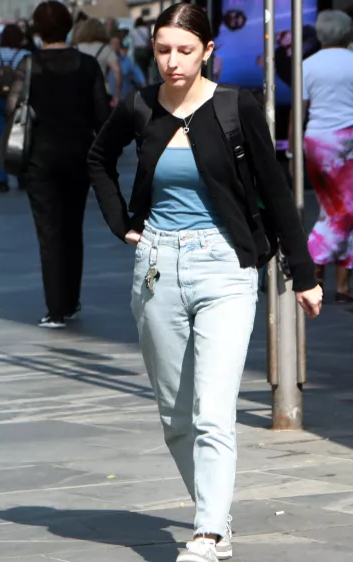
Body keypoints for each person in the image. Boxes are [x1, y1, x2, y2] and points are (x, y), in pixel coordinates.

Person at [87, 4, 324, 561]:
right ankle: (212, 511)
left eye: (185, 50)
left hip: (224, 266)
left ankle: (209, 532)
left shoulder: (235, 107)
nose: (172, 61)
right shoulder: (141, 104)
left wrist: (305, 274)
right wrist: (122, 223)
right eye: (163, 49)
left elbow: (275, 188)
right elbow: (98, 158)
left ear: (208, 50)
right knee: (175, 416)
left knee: (211, 410)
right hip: (156, 267)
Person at [22, 2, 110, 328]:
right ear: (69, 27)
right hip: (79, 155)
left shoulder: (29, 65)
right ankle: (71, 300)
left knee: (49, 232)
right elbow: (102, 115)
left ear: (37, 30)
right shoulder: (87, 66)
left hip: (40, 158)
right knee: (73, 229)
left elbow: (17, 105)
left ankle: (55, 308)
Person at [291, 10, 353, 302]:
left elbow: (298, 111)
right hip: (348, 141)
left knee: (337, 209)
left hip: (316, 142)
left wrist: (292, 151)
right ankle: (317, 263)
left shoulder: (307, 64)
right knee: (344, 211)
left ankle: (331, 281)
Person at [0, 24, 29, 192]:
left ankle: (1, 179)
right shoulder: (25, 55)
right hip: (19, 101)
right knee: (19, 139)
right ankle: (21, 177)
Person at [73, 18, 122, 108]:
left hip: (79, 92)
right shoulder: (106, 49)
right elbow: (117, 70)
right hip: (102, 92)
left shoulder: (76, 48)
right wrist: (117, 95)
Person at [109, 34, 146, 98]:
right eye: (112, 43)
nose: (114, 46)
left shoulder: (126, 61)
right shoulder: (104, 60)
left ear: (119, 46)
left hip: (124, 98)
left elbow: (138, 74)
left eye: (116, 44)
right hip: (108, 98)